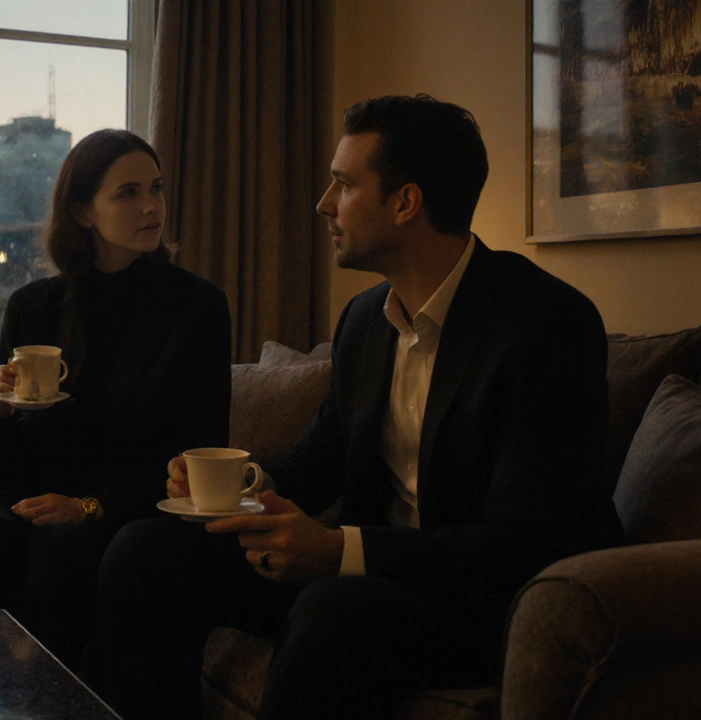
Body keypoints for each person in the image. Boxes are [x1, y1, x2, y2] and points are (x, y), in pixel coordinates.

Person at [94, 96, 624, 719]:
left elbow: (520, 544)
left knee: (332, 609)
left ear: (406, 203)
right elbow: (323, 458)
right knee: (146, 551)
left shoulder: (545, 325)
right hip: (369, 574)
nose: (324, 203)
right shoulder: (365, 319)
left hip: (485, 602)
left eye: (344, 184)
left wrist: (337, 553)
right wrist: (244, 485)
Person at [0, 129, 231, 667]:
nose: (152, 206)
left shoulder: (197, 309)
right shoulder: (34, 305)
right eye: (128, 193)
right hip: (23, 485)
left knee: (59, 555)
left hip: (127, 503)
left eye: (155, 188)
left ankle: (36, 702)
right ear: (83, 211)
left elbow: (200, 452)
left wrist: (89, 507)